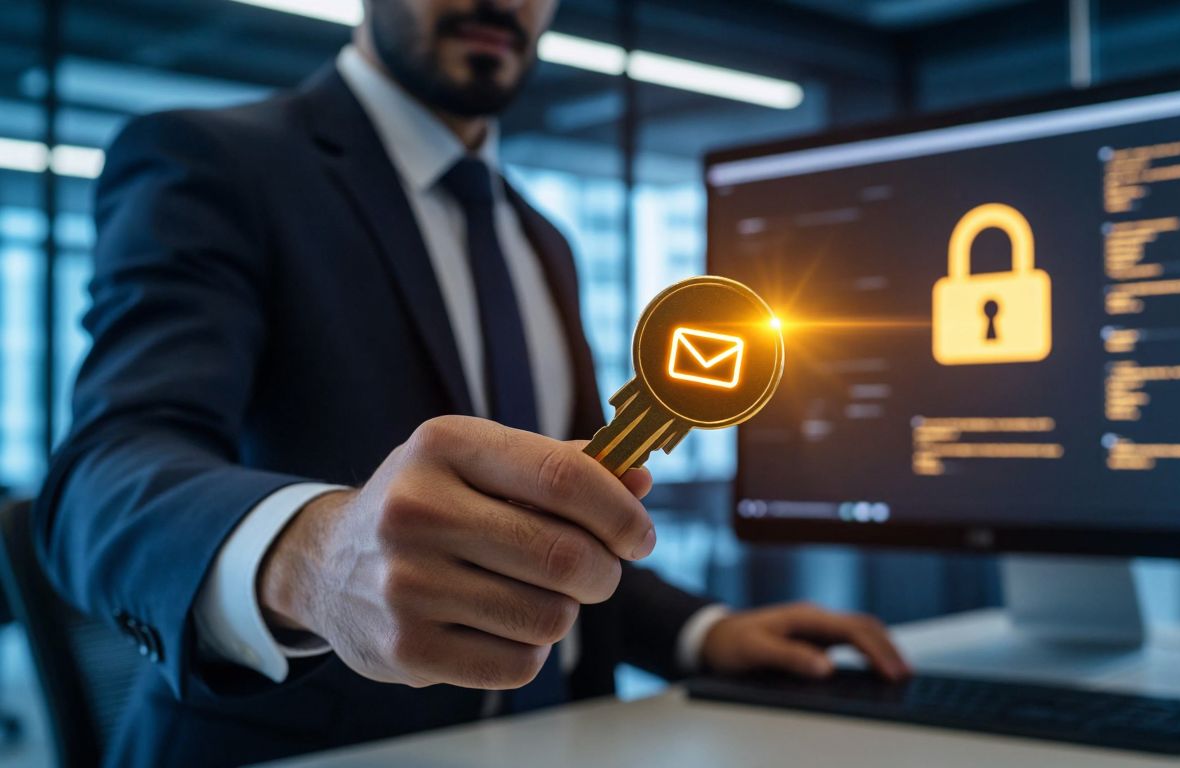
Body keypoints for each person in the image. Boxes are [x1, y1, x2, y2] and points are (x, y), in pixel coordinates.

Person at [33, 0, 910, 765]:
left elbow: (550, 525)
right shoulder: (212, 160)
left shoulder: (543, 240)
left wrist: (704, 632)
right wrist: (312, 556)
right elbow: (103, 475)